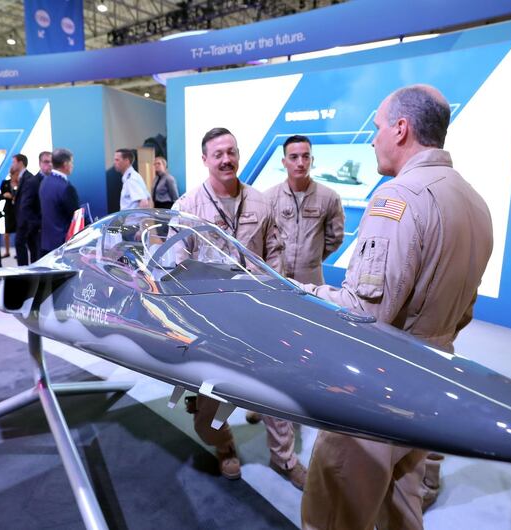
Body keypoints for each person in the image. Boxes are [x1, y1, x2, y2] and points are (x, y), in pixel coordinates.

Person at [298, 85, 493, 530]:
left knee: (334, 514)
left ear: (401, 129)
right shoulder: (474, 201)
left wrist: (299, 293)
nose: (372, 139)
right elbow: (464, 311)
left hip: (378, 388)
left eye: (378, 127)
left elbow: (362, 316)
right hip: (434, 377)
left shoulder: (398, 198)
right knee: (401, 510)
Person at [173, 128, 308, 488]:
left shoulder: (261, 203)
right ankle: (225, 446)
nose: (226, 159)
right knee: (207, 412)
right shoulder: (188, 208)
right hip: (211, 326)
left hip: (258, 319)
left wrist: (274, 300)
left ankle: (285, 458)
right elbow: (174, 267)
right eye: (217, 153)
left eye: (231, 151)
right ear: (205, 160)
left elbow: (274, 254)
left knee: (275, 397)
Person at [263, 134, 344, 285]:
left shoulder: (329, 197)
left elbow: (334, 239)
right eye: (293, 157)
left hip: (312, 282)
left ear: (312, 160)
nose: (300, 163)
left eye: (306, 157)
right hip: (276, 279)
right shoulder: (268, 198)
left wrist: (310, 260)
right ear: (284, 162)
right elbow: (263, 240)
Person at [39, 148, 80, 255]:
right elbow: (76, 216)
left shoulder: (44, 182)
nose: (73, 165)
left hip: (46, 243)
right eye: (71, 162)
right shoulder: (66, 187)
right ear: (65, 164)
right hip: (62, 245)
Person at [12, 153, 43, 265]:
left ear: (20, 163)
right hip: (24, 220)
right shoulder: (22, 177)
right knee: (30, 247)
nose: (12, 165)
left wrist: (31, 222)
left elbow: (28, 203)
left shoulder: (29, 178)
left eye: (14, 162)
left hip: (27, 222)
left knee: (24, 245)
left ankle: (24, 272)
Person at [0, 162, 20, 259]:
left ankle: (18, 251)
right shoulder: (5, 183)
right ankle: (7, 251)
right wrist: (4, 195)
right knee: (7, 232)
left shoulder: (21, 183)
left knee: (18, 232)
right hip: (8, 210)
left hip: (18, 210)